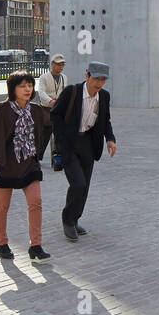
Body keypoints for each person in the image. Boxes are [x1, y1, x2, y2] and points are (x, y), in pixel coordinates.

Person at [0, 71, 53, 263]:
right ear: (12, 88)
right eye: (22, 86)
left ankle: (35, 246)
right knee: (2, 206)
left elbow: (51, 125)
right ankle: (2, 243)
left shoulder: (36, 110)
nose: (28, 89)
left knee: (36, 201)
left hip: (29, 163)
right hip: (5, 164)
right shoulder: (0, 109)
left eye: (30, 85)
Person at [50, 62, 116, 241]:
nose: (99, 83)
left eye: (103, 80)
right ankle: (68, 221)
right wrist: (61, 140)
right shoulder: (71, 92)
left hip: (88, 142)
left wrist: (110, 139)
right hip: (69, 144)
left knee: (84, 185)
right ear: (87, 76)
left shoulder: (104, 96)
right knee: (77, 183)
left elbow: (105, 119)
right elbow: (55, 115)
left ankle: (75, 218)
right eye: (96, 79)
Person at [34, 54, 67, 167]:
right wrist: (50, 101)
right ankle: (37, 157)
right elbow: (41, 92)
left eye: (62, 64)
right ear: (52, 64)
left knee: (59, 135)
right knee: (44, 135)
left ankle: (57, 158)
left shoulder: (64, 77)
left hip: (59, 110)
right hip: (46, 109)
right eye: (58, 64)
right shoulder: (44, 77)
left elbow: (65, 92)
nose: (60, 67)